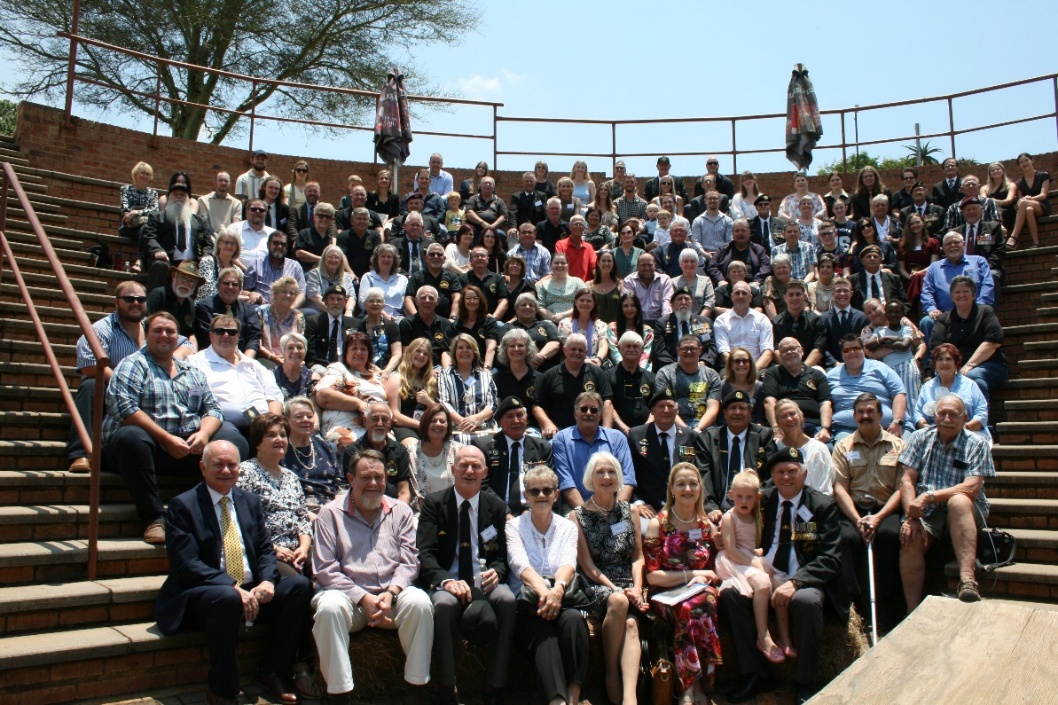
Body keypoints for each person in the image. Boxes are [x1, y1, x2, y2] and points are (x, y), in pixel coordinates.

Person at [154, 439, 312, 705]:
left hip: (250, 587)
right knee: (227, 598)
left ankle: (272, 670)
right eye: (218, 465)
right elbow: (187, 564)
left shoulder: (249, 501)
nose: (226, 471)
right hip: (203, 592)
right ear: (202, 468)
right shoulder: (184, 505)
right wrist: (231, 586)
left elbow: (263, 549)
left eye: (232, 465)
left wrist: (268, 582)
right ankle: (222, 690)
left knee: (299, 587)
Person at [719, 447, 849, 705]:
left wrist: (796, 582)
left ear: (804, 473)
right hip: (762, 568)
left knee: (806, 602)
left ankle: (804, 681)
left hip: (804, 577)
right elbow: (734, 515)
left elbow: (831, 558)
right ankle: (756, 673)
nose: (786, 477)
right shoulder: (762, 500)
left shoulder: (822, 505)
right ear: (772, 477)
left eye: (792, 471)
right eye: (780, 472)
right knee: (731, 595)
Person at [103, 312, 246, 544]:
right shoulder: (133, 364)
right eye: (157, 330)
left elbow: (213, 409)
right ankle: (153, 518)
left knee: (231, 440)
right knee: (132, 437)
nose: (164, 335)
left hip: (187, 447)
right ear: (146, 335)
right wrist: (167, 439)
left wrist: (204, 435)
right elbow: (124, 408)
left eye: (170, 331)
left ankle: (209, 512)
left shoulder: (191, 371)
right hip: (142, 449)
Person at [311, 448, 434, 705]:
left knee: (421, 603)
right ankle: (339, 693)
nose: (374, 484)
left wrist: (391, 593)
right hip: (350, 601)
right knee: (328, 608)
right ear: (350, 479)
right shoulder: (329, 514)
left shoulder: (400, 511)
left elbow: (410, 560)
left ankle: (416, 689)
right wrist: (363, 597)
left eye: (379, 477)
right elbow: (325, 569)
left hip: (392, 599)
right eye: (366, 477)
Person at [416, 445, 515, 705]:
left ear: (484, 472)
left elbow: (504, 554)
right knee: (445, 606)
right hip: (448, 582)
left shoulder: (495, 506)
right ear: (453, 469)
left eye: (475, 466)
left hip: (484, 580)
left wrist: (498, 571)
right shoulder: (435, 504)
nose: (469, 471)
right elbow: (425, 553)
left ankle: (496, 686)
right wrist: (445, 581)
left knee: (507, 600)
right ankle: (448, 688)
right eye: (463, 465)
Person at [899, 395, 995, 606]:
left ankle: (967, 580)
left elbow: (971, 487)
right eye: (942, 413)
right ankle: (911, 609)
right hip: (928, 511)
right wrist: (911, 515)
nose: (947, 419)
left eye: (953, 414)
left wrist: (930, 496)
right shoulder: (919, 438)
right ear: (934, 416)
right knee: (910, 536)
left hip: (968, 508)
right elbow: (907, 480)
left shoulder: (977, 443)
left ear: (964, 418)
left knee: (958, 501)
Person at [505, 465, 589, 705]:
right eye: (534, 491)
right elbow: (519, 565)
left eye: (546, 490)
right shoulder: (513, 527)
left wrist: (557, 591)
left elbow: (568, 563)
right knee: (544, 635)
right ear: (526, 496)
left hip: (562, 594)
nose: (541, 495)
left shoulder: (567, 527)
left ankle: (573, 696)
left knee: (574, 621)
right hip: (529, 599)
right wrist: (545, 594)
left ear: (556, 494)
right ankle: (557, 702)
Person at [570, 452, 648, 705]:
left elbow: (637, 557)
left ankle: (629, 698)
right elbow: (588, 566)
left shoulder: (630, 511)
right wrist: (617, 589)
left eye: (612, 471)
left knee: (632, 625)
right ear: (590, 478)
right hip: (596, 584)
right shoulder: (577, 516)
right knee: (619, 601)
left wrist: (637, 587)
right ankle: (612, 673)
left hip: (629, 584)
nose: (606, 477)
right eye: (600, 472)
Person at [643, 463, 723, 705]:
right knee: (689, 608)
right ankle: (694, 685)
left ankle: (689, 686)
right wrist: (692, 575)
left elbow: (715, 572)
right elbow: (652, 577)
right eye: (681, 484)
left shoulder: (707, 526)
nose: (687, 488)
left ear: (700, 488)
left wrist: (705, 577)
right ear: (671, 489)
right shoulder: (659, 524)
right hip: (666, 592)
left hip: (700, 592)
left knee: (698, 603)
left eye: (693, 483)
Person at [831, 393, 905, 634]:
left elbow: (902, 488)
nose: (865, 416)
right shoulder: (843, 447)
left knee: (890, 536)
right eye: (860, 412)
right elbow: (840, 488)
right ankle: (856, 608)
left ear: (880, 414)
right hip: (854, 510)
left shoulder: (898, 446)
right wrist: (857, 519)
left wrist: (879, 517)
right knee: (848, 539)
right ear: (854, 416)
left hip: (886, 509)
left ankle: (889, 609)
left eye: (870, 411)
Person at [714, 470, 788, 665]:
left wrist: (759, 554)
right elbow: (730, 550)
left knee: (780, 580)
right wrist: (756, 563)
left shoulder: (757, 516)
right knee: (763, 583)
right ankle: (763, 636)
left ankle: (784, 635)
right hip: (732, 561)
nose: (744, 501)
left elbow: (756, 544)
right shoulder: (729, 517)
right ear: (731, 495)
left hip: (748, 558)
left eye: (749, 497)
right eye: (739, 496)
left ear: (758, 497)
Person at [237, 413, 313, 580]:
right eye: (271, 435)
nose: (279, 439)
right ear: (257, 443)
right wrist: (274, 549)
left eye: (283, 435)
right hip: (266, 551)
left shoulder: (291, 476)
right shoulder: (245, 472)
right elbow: (244, 522)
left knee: (328, 572)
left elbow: (303, 518)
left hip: (298, 550)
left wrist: (304, 547)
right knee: (298, 583)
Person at [188, 315, 284, 440]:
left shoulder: (253, 364)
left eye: (232, 332)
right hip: (222, 426)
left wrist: (271, 424)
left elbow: (274, 395)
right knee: (235, 441)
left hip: (261, 425)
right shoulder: (195, 363)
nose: (226, 335)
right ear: (211, 335)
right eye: (220, 331)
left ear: (238, 337)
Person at [697, 391, 776, 523]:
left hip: (753, 511)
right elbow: (703, 474)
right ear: (724, 412)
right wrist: (710, 507)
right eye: (733, 408)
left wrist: (758, 504)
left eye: (742, 408)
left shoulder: (764, 436)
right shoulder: (708, 439)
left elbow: (771, 475)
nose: (737, 412)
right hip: (717, 512)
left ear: (750, 412)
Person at [929, 275, 1008, 401]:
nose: (962, 295)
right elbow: (936, 347)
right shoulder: (944, 318)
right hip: (953, 367)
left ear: (974, 295)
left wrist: (968, 366)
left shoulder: (986, 312)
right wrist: (953, 368)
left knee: (972, 378)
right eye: (957, 292)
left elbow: (993, 342)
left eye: (966, 291)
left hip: (988, 365)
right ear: (952, 297)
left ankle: (979, 419)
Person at [552, 391, 635, 509]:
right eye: (584, 409)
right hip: (576, 508)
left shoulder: (617, 438)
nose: (589, 413)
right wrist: (587, 516)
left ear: (600, 415)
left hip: (615, 506)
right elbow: (566, 482)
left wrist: (615, 513)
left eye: (594, 410)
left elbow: (628, 479)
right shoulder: (561, 440)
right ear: (575, 413)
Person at [473, 396, 553, 516]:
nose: (516, 421)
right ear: (499, 422)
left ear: (526, 419)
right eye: (510, 416)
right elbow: (481, 485)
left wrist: (529, 510)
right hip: (495, 512)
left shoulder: (542, 448)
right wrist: (505, 513)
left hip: (534, 512)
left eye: (520, 415)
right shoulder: (485, 447)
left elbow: (549, 483)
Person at [627, 387, 703, 514]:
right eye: (661, 406)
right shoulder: (637, 435)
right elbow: (629, 473)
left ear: (677, 409)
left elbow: (700, 472)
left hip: (684, 507)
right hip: (648, 508)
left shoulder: (690, 436)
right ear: (652, 410)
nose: (666, 410)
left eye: (670, 406)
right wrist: (639, 503)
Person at [918, 231, 994, 354]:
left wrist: (979, 308)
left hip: (973, 312)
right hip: (944, 315)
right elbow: (926, 291)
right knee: (926, 322)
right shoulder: (934, 268)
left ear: (963, 244)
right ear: (943, 248)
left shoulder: (979, 261)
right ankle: (930, 367)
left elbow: (988, 285)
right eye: (948, 244)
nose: (953, 246)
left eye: (956, 242)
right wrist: (931, 308)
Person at [826, 334, 907, 440]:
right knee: (847, 454)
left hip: (889, 428)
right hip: (847, 430)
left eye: (856, 348)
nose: (852, 352)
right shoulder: (831, 376)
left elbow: (899, 394)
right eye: (847, 350)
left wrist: (897, 422)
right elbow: (824, 402)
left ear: (863, 350)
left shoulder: (881, 368)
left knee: (903, 452)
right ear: (841, 354)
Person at [314, 331, 390, 441]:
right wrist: (358, 404)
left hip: (378, 427)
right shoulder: (339, 368)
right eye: (354, 348)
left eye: (363, 349)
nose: (359, 352)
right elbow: (323, 396)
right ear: (346, 353)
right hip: (345, 426)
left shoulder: (379, 377)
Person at [141, 181, 215, 290]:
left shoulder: (199, 222)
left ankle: (202, 305)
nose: (179, 197)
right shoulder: (157, 217)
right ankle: (156, 303)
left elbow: (208, 244)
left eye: (182, 195)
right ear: (168, 197)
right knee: (159, 265)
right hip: (168, 260)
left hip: (193, 262)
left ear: (188, 199)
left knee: (208, 263)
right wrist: (157, 250)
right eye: (175, 194)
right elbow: (149, 237)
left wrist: (205, 256)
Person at [913, 343, 990, 441]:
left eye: (948, 359)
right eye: (940, 359)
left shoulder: (970, 385)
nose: (944, 363)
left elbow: (982, 414)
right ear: (934, 364)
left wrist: (961, 429)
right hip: (934, 434)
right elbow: (917, 414)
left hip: (968, 433)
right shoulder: (927, 387)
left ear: (956, 363)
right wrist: (926, 427)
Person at [761, 338, 832, 441]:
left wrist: (825, 428)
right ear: (780, 356)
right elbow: (769, 401)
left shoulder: (817, 375)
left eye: (793, 348)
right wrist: (776, 428)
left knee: (828, 448)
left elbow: (825, 403)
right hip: (784, 424)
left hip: (813, 425)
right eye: (785, 350)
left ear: (802, 351)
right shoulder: (773, 373)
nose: (789, 352)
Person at [283, 396, 344, 512]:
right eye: (298, 417)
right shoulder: (282, 449)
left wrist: (338, 503)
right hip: (299, 509)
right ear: (286, 420)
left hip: (331, 508)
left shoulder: (325, 446)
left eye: (309, 416)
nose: (305, 420)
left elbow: (340, 482)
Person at [863, 299, 922, 415]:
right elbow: (869, 347)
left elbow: (905, 345)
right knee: (891, 399)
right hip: (887, 368)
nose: (893, 315)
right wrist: (885, 339)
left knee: (910, 398)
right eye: (869, 312)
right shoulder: (877, 331)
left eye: (875, 309)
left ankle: (914, 424)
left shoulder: (906, 327)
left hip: (906, 365)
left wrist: (881, 344)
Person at [655, 334, 722, 432]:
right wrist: (687, 431)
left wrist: (698, 429)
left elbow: (712, 408)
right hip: (674, 426)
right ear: (678, 350)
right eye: (684, 349)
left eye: (693, 348)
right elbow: (667, 407)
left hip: (705, 427)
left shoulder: (711, 375)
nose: (689, 352)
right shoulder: (665, 373)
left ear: (700, 350)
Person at [437, 334, 499, 438]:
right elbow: (443, 403)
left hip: (483, 430)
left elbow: (492, 404)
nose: (464, 351)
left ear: (474, 353)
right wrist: (463, 422)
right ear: (454, 353)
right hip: (455, 431)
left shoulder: (485, 376)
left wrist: (477, 419)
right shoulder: (444, 375)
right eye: (460, 347)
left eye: (469, 347)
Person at [771, 399, 834, 494]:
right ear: (778, 422)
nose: (789, 419)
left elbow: (825, 488)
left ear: (801, 416)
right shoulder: (774, 449)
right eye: (783, 416)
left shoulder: (819, 449)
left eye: (792, 414)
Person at [714, 281, 775, 370]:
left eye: (744, 293)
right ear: (732, 297)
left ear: (750, 297)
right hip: (731, 368)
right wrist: (738, 370)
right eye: (737, 293)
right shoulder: (721, 320)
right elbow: (724, 353)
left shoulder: (762, 319)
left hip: (758, 368)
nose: (740, 296)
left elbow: (768, 351)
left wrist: (753, 371)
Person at [389, 337, 440, 443]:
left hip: (427, 428)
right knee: (414, 446)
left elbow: (440, 412)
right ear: (409, 352)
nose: (421, 355)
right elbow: (395, 415)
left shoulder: (430, 382)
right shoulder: (397, 378)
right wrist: (422, 426)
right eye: (418, 351)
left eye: (425, 354)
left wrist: (429, 402)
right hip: (405, 427)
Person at [771, 280, 826, 368]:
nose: (794, 298)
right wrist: (790, 368)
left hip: (810, 367)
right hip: (783, 367)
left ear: (804, 297)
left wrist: (802, 368)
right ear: (784, 297)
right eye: (791, 294)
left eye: (798, 294)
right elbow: (775, 350)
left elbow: (818, 350)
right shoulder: (775, 322)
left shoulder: (816, 320)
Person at [608, 332, 656, 433]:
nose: (631, 349)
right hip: (617, 432)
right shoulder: (608, 376)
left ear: (642, 349)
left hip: (646, 432)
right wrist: (622, 427)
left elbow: (655, 405)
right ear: (619, 348)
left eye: (635, 346)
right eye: (627, 346)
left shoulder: (651, 377)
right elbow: (607, 404)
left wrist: (646, 426)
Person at [706, 218, 771, 290]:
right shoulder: (722, 249)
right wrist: (720, 280)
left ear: (749, 233)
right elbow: (711, 266)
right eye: (737, 231)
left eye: (743, 230)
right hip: (726, 288)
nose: (740, 233)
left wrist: (757, 281)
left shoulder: (759, 249)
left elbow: (766, 266)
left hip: (752, 288)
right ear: (732, 233)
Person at [953, 196, 1005, 286]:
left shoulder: (993, 228)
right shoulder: (955, 233)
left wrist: (982, 268)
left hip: (988, 268)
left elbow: (998, 251)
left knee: (992, 276)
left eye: (974, 209)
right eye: (968, 209)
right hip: (960, 269)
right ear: (963, 213)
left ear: (981, 210)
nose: (971, 212)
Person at [255, 276, 306, 366]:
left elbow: (300, 345)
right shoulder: (261, 312)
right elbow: (258, 345)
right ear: (275, 294)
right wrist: (274, 358)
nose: (288, 295)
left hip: (291, 358)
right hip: (266, 358)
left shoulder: (298, 316)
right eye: (284, 292)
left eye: (292, 293)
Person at [399, 286, 454, 367]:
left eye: (431, 298)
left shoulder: (445, 324)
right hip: (416, 366)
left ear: (437, 301)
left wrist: (446, 373)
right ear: (416, 301)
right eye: (423, 298)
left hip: (440, 366)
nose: (427, 301)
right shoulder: (407, 323)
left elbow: (447, 352)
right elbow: (407, 353)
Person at [821, 278, 869, 367]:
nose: (842, 294)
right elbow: (822, 347)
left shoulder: (862, 318)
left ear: (851, 293)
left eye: (845, 291)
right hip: (832, 367)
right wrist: (834, 363)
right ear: (833, 294)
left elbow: (865, 345)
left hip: (859, 365)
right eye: (838, 291)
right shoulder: (823, 319)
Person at [453, 284, 503, 369]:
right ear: (463, 301)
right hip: (462, 368)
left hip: (485, 366)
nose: (472, 301)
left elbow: (491, 347)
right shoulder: (456, 325)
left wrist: (486, 369)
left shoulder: (489, 322)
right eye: (468, 298)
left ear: (480, 301)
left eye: (475, 298)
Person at [1007, 152, 1051, 249]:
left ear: (1032, 160)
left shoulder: (1043, 175)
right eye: (1021, 162)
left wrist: (1030, 199)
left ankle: (1014, 237)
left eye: (1026, 160)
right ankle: (1036, 243)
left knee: (1024, 203)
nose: (1024, 163)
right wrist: (1024, 201)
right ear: (1019, 166)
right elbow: (1020, 200)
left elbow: (1043, 195)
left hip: (1042, 205)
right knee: (1028, 210)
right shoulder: (1019, 182)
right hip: (1027, 207)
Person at [507, 294, 562, 372]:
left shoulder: (545, 325)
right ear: (516, 309)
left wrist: (540, 356)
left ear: (536, 310)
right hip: (516, 371)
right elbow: (504, 347)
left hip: (546, 370)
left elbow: (555, 342)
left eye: (531, 305)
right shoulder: (508, 327)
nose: (527, 307)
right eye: (523, 305)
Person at [355, 287, 403, 375]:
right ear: (365, 305)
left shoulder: (392, 326)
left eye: (378, 301)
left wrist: (388, 370)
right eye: (371, 301)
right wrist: (374, 369)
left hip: (389, 370)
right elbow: (357, 352)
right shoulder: (359, 326)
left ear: (383, 305)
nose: (375, 303)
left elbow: (397, 353)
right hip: (364, 369)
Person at [306, 284, 356, 370]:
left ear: (345, 302)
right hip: (321, 365)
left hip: (348, 367)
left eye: (339, 299)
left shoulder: (354, 323)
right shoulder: (314, 322)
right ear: (325, 301)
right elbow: (311, 351)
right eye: (332, 299)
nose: (335, 303)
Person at [558, 288, 609, 367]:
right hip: (572, 363)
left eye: (589, 301)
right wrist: (585, 361)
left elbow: (603, 345)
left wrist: (598, 359)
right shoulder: (565, 324)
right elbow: (566, 347)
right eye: (582, 300)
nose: (585, 303)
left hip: (595, 364)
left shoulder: (601, 325)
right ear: (575, 302)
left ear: (594, 304)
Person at [896, 212, 941, 298]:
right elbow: (901, 268)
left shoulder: (933, 243)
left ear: (923, 223)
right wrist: (910, 277)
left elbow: (933, 265)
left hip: (928, 278)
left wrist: (917, 274)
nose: (915, 225)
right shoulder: (903, 245)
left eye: (917, 222)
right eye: (911, 224)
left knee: (919, 278)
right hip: (909, 280)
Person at [358, 243, 408, 320]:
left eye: (389, 257)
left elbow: (406, 304)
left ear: (394, 260)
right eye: (383, 256)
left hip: (398, 318)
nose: (386, 259)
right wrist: (385, 316)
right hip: (373, 316)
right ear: (377, 259)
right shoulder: (368, 277)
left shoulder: (403, 279)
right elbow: (363, 302)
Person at [621, 253, 673, 325]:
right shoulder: (629, 280)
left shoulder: (665, 280)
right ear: (637, 266)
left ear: (655, 265)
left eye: (650, 265)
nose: (647, 268)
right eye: (643, 265)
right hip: (637, 322)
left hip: (659, 321)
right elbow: (628, 303)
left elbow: (667, 302)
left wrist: (665, 322)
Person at [119, 162, 161, 248]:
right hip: (130, 227)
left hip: (145, 226)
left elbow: (155, 210)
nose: (145, 176)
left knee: (146, 231)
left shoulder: (153, 193)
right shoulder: (126, 189)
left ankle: (140, 258)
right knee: (147, 234)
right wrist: (143, 211)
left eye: (148, 174)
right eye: (142, 173)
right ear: (135, 174)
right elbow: (125, 209)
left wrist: (136, 212)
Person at [607, 292, 654, 368]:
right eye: (625, 306)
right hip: (619, 369)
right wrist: (626, 369)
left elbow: (645, 355)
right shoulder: (613, 328)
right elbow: (615, 353)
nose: (629, 309)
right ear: (621, 308)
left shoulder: (647, 331)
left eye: (633, 305)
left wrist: (636, 372)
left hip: (642, 371)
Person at [537, 253, 585, 323]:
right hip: (550, 323)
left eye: (563, 263)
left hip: (574, 320)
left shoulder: (577, 282)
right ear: (550, 266)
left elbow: (585, 303)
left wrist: (563, 316)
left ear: (568, 266)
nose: (559, 265)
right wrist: (554, 318)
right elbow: (540, 307)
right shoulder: (543, 285)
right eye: (556, 263)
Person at [273, 332, 319, 401]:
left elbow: (315, 407)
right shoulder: (272, 376)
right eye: (290, 347)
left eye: (299, 347)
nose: (295, 351)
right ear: (283, 352)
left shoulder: (312, 377)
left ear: (305, 352)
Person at [465, 176, 509, 241]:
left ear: (493, 187)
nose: (488, 185)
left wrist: (492, 226)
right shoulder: (473, 198)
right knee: (470, 233)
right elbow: (469, 213)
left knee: (501, 234)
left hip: (494, 229)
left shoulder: (499, 200)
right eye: (485, 183)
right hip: (476, 228)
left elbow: (504, 216)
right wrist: (482, 223)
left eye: (490, 183)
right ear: (480, 186)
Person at [590, 250, 622, 324]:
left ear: (613, 263)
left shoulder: (620, 284)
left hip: (615, 327)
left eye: (609, 261)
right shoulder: (588, 285)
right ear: (598, 263)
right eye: (603, 261)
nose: (606, 263)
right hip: (595, 326)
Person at [760, 254, 794, 319]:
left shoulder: (797, 283)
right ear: (774, 270)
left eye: (784, 267)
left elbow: (805, 306)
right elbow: (767, 303)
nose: (781, 270)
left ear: (790, 268)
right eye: (778, 268)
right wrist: (777, 323)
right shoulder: (770, 280)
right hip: (778, 321)